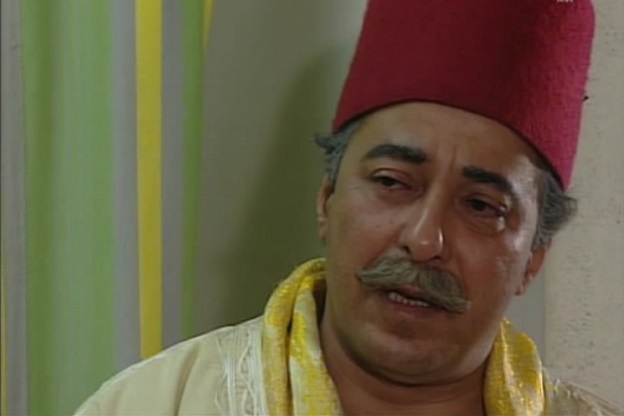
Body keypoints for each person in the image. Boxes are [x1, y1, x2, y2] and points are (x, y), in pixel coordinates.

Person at [76, 0, 623, 415]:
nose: (423, 240)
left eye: (481, 206)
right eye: (392, 182)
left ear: (534, 257)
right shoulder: (155, 404)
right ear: (327, 198)